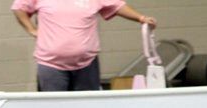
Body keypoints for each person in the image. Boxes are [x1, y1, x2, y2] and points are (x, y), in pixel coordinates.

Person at [11, 0, 157, 91]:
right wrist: (31, 29)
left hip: (87, 64)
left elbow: (117, 5)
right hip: (51, 64)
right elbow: (19, 7)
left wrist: (141, 18)